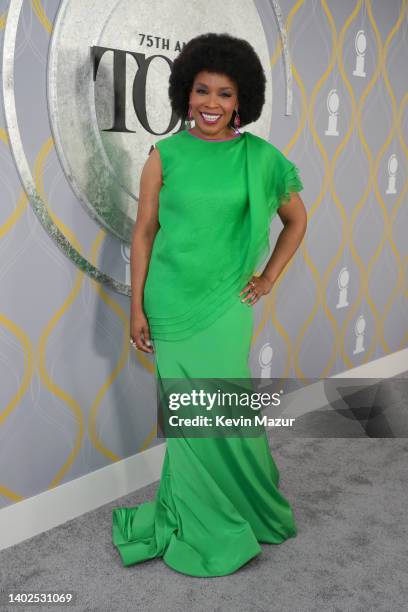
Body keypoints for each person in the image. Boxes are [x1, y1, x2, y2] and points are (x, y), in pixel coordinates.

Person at [112, 32, 307, 577]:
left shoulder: (262, 159)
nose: (212, 104)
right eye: (202, 90)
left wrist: (267, 277)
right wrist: (136, 309)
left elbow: (297, 220)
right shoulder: (164, 155)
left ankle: (247, 504)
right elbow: (145, 232)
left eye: (224, 93)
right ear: (185, 93)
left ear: (241, 100)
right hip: (171, 304)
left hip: (225, 308)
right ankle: (197, 520)